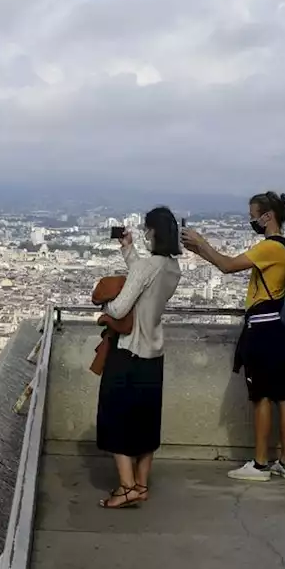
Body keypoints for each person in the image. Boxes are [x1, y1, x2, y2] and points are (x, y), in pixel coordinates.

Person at [183, 192, 285, 482]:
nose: (251, 220)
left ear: (267, 216)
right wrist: (199, 251)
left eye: (253, 215)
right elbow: (224, 263)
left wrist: (201, 242)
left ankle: (260, 464)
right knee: (284, 397)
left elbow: (227, 265)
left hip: (263, 331)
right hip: (282, 330)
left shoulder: (269, 248)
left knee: (260, 396)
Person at [96, 206, 183, 509]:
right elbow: (146, 279)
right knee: (146, 423)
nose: (145, 233)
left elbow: (120, 309)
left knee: (116, 418)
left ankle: (126, 487)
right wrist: (128, 249)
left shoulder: (148, 267)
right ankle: (142, 486)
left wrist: (104, 310)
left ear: (154, 232)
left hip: (129, 352)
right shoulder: (173, 268)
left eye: (147, 229)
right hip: (153, 353)